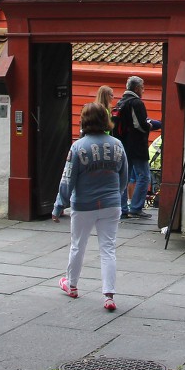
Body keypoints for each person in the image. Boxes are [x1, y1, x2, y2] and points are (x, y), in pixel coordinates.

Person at [51, 98, 126, 311]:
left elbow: (68, 179)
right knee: (108, 249)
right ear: (106, 119)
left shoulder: (78, 147)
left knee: (78, 245)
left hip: (84, 204)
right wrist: (116, 196)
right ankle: (109, 295)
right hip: (111, 204)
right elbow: (124, 176)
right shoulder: (118, 145)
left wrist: (59, 205)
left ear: (84, 121)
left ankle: (72, 285)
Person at [114, 75, 152, 220]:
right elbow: (140, 125)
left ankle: (122, 209)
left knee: (125, 177)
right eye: (142, 87)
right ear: (136, 88)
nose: (143, 90)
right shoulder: (136, 103)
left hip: (123, 145)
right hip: (137, 145)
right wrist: (149, 125)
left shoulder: (121, 102)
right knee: (144, 176)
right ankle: (136, 207)